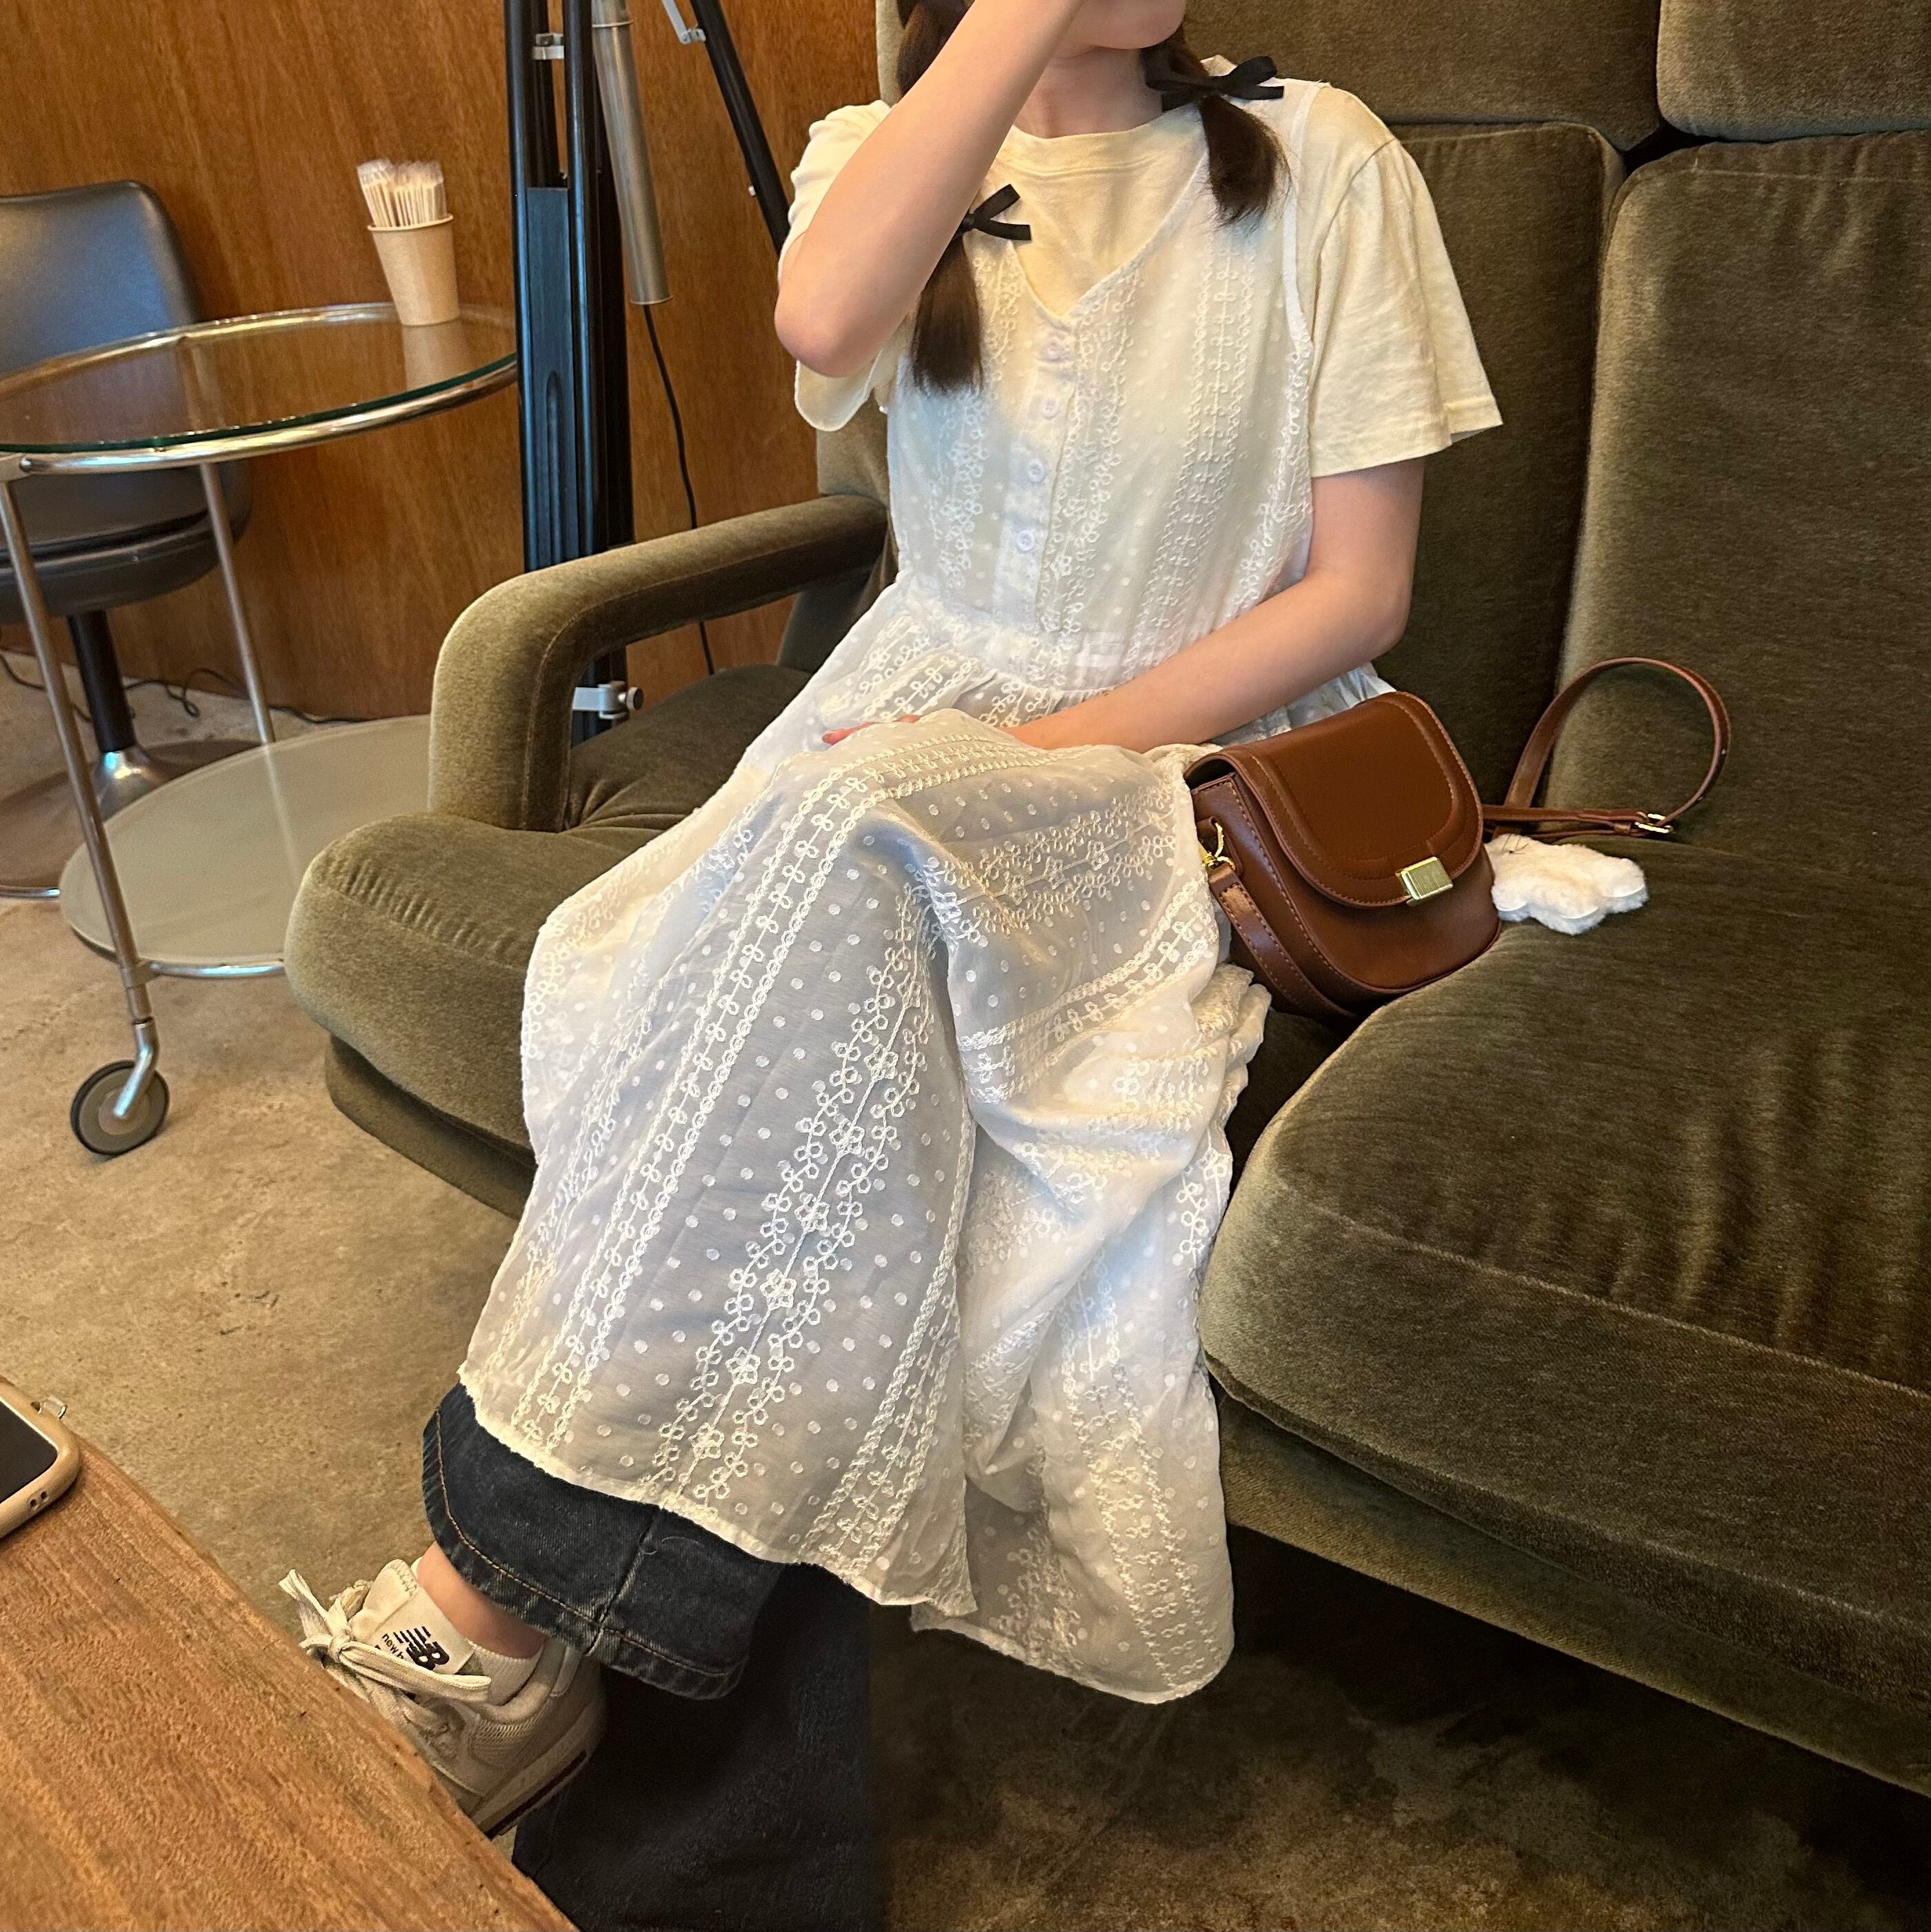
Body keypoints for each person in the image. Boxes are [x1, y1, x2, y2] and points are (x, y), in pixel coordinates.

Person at [281, 1, 1499, 1922]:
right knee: (830, 1080)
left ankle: (481, 1615)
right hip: (893, 725)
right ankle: (712, 1856)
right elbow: (822, 321)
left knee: (847, 848)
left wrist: (1014, 761)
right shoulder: (887, 152)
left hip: (1171, 763)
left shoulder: (1323, 158)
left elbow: (1360, 591)